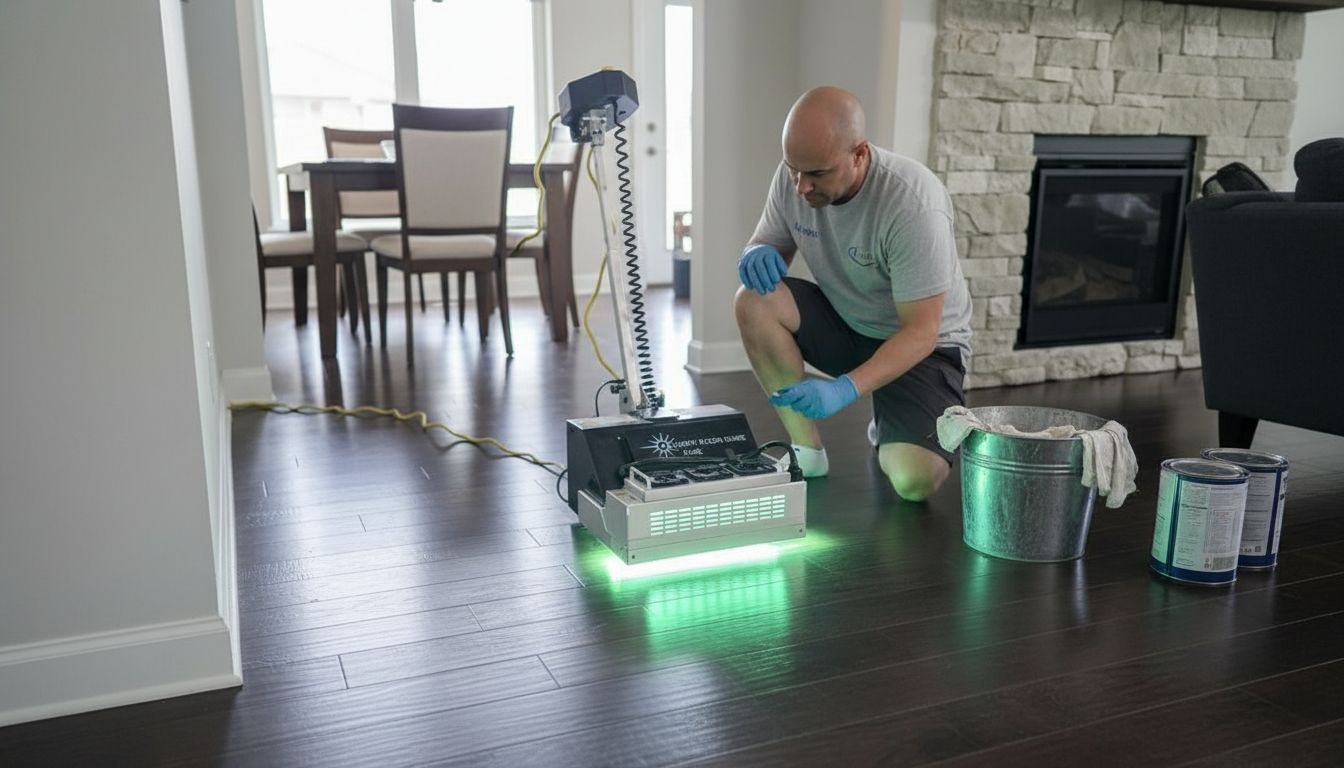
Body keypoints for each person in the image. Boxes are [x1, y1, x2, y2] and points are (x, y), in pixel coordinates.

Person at [734, 86, 972, 502]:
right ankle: (805, 453)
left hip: (919, 347)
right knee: (753, 300)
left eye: (817, 175)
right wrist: (755, 251)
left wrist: (845, 388)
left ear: (859, 154)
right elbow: (768, 241)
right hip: (848, 322)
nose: (802, 187)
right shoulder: (797, 175)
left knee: (915, 483)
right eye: (794, 170)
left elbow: (921, 332)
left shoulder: (913, 204)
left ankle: (895, 417)